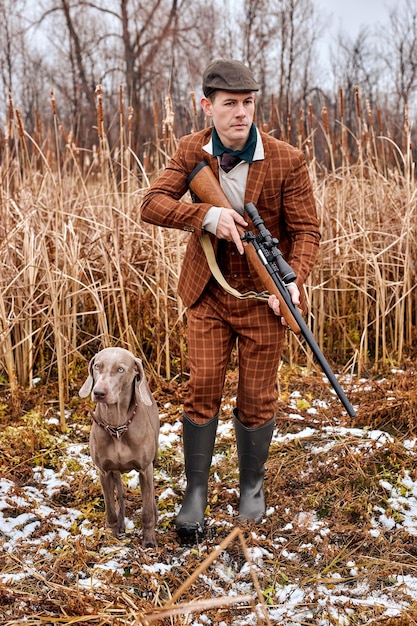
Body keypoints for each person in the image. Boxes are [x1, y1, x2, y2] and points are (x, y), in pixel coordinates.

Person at [141, 59, 320, 539]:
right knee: (202, 388)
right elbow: (151, 203)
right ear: (207, 105)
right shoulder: (189, 150)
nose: (241, 113)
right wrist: (205, 217)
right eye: (229, 104)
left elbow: (306, 231)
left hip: (265, 298)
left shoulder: (287, 158)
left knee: (258, 397)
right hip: (209, 295)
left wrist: (293, 279)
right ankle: (195, 492)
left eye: (248, 103)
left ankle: (252, 487)